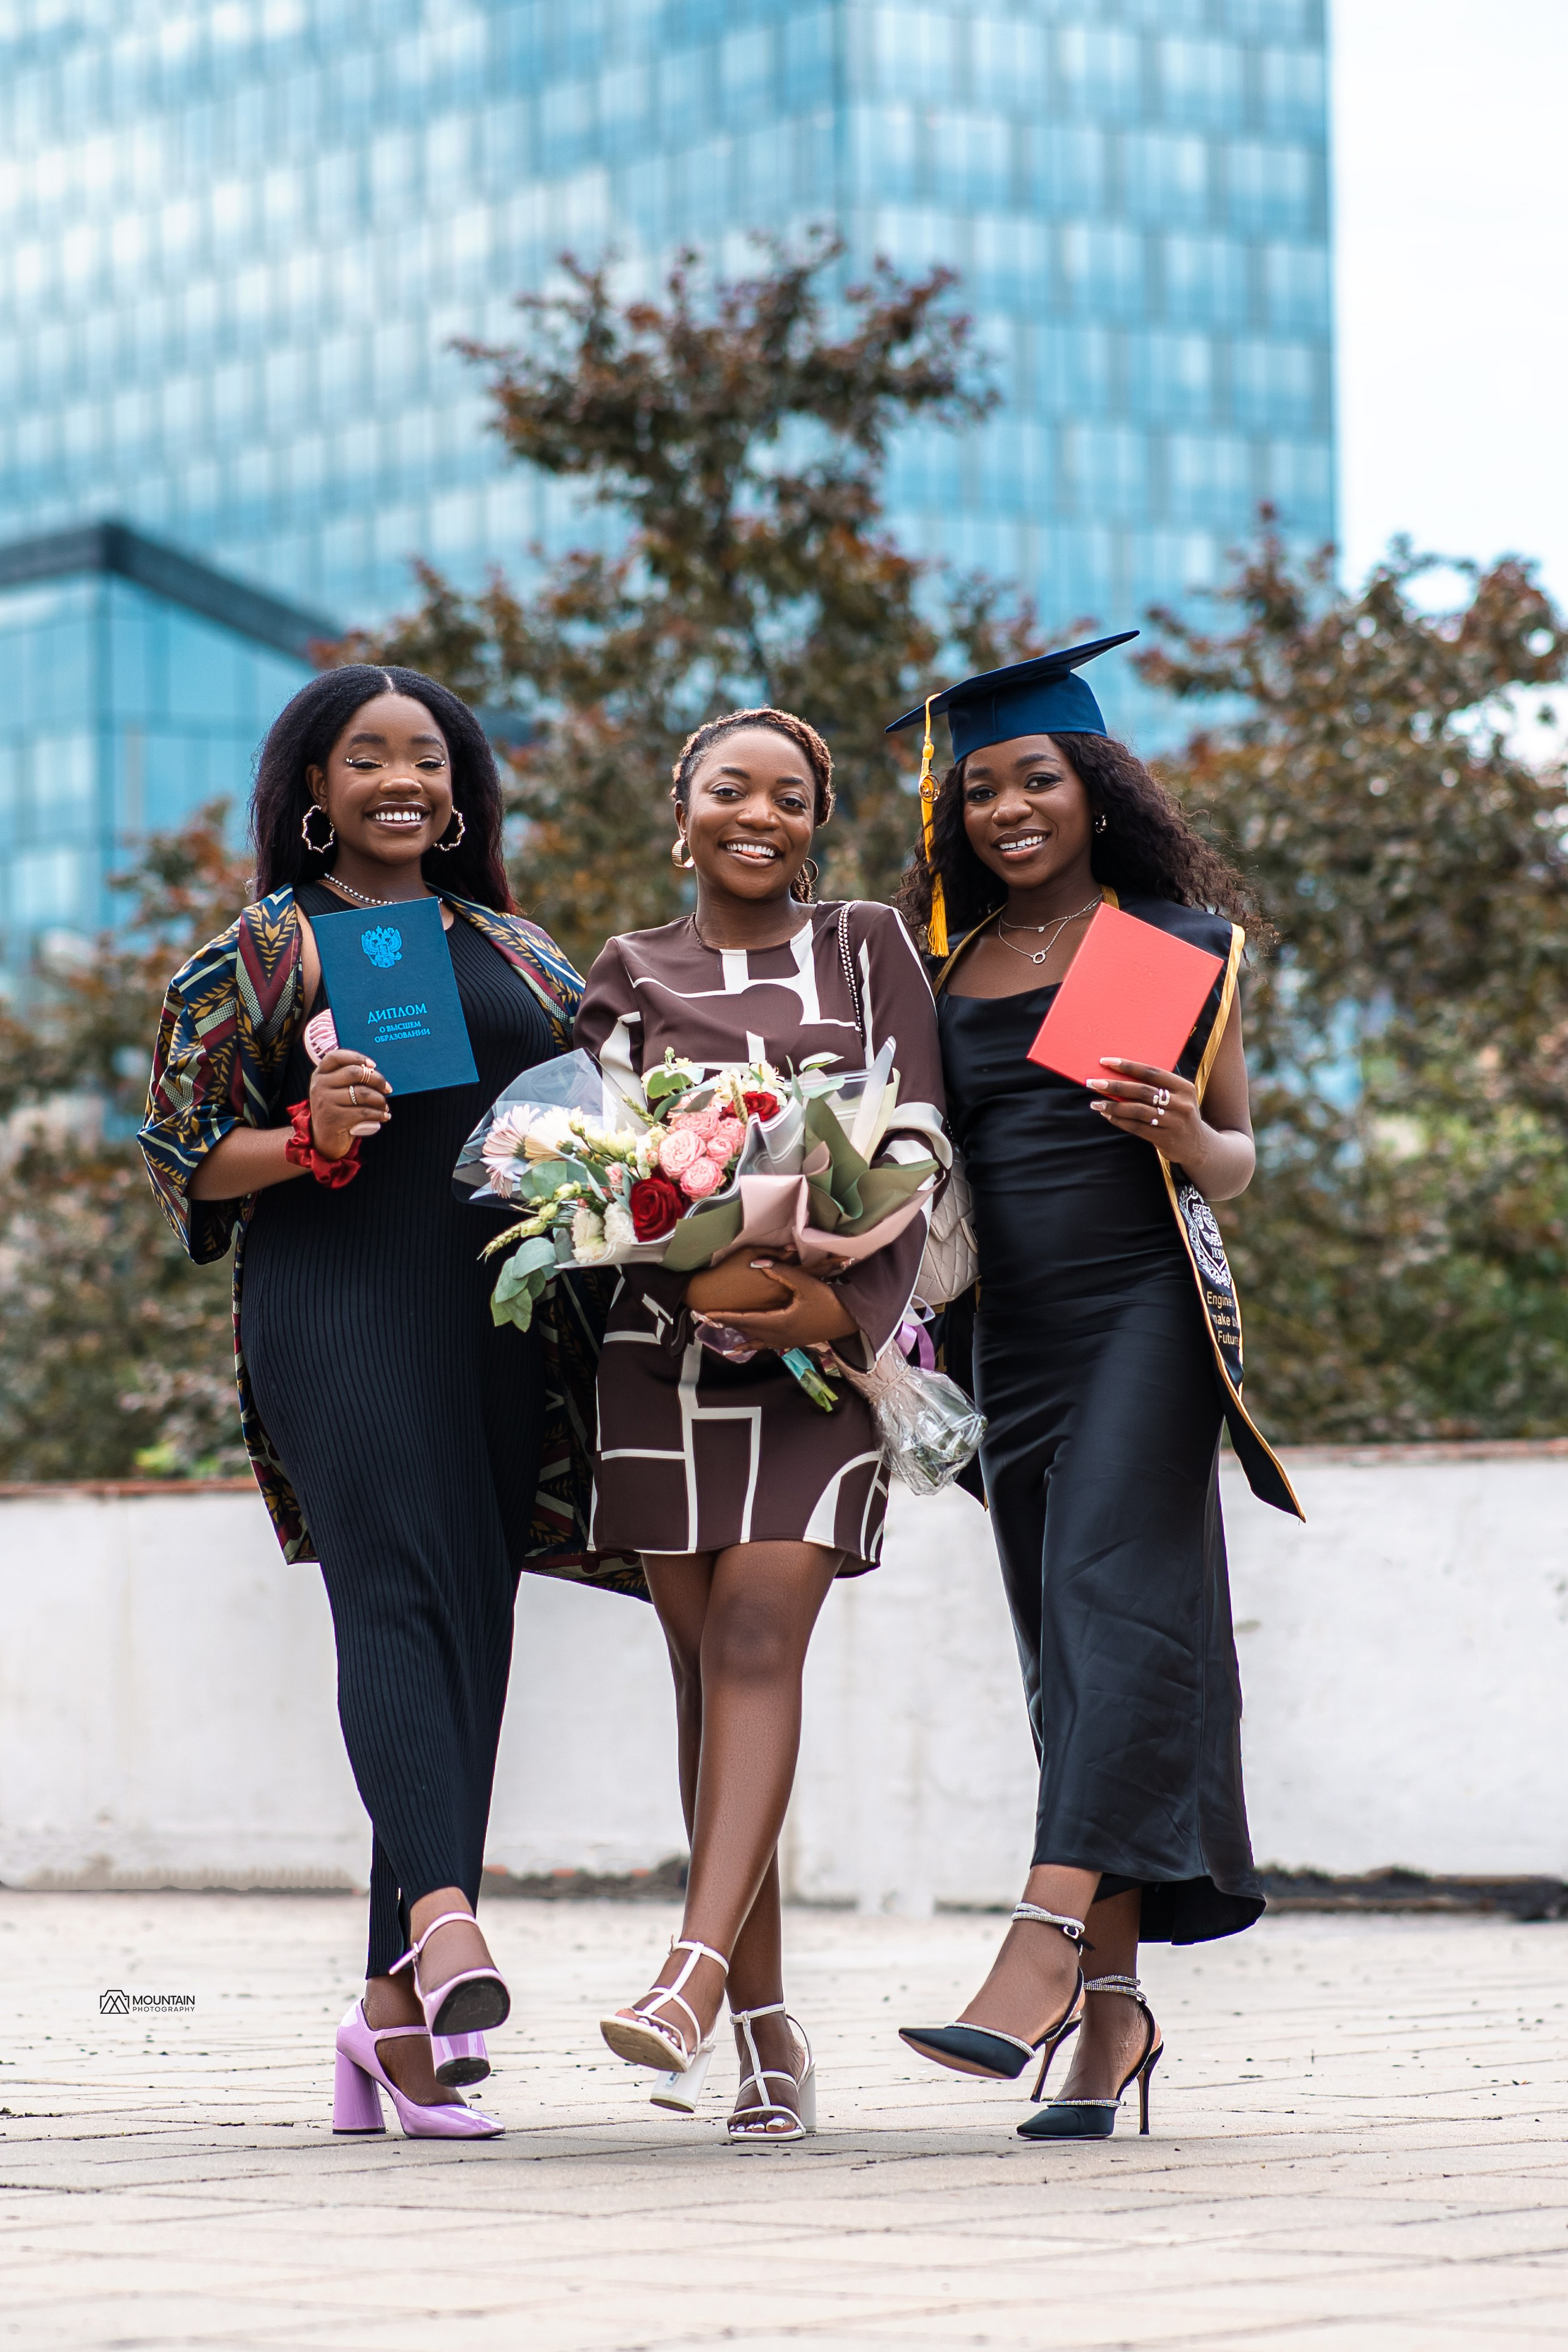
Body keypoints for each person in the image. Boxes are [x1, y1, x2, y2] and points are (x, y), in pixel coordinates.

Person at [140, 665, 634, 2141]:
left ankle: (389, 2025)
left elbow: (598, 1111)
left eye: (430, 757)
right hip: (335, 1309)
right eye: (368, 758)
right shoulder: (258, 956)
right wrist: (303, 1137)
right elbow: (179, 1155)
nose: (403, 780)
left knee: (465, 1636)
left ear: (463, 791)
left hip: (494, 1322)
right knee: (395, 1604)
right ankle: (447, 1925)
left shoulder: (521, 951)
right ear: (315, 792)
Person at [888, 636, 1301, 2141]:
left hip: (1140, 1318)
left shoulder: (1168, 942)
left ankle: (1042, 1946)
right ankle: (1116, 2021)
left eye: (1035, 779)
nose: (1005, 807)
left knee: (1115, 1604)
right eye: (979, 787)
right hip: (1007, 1341)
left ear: (1094, 789)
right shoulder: (940, 972)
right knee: (1069, 1648)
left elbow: (1240, 1160)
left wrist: (1187, 1126)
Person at [573, 707, 945, 2143]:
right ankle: (768, 2037)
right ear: (684, 811)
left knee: (750, 1644)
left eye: (788, 796)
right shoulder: (626, 972)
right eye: (730, 788)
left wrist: (834, 1311)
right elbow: (600, 1171)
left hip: (821, 1363)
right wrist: (675, 1243)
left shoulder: (865, 945)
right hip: (660, 1362)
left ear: (814, 821)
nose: (759, 813)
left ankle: (687, 1977)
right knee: (703, 1686)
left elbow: (914, 1144)